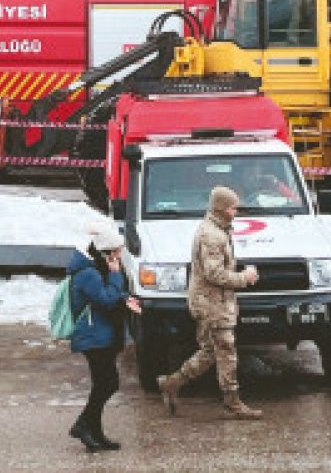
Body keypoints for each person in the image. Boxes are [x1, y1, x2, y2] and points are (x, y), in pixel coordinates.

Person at [157, 186, 263, 420]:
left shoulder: (216, 230)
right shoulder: (212, 235)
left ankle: (172, 382)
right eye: (233, 208)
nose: (236, 212)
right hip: (212, 304)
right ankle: (232, 402)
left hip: (213, 302)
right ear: (222, 208)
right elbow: (214, 274)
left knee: (211, 352)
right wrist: (244, 278)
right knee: (225, 351)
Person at [66, 218, 141, 452]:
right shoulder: (88, 273)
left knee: (104, 383)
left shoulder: (96, 269)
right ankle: (83, 424)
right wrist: (116, 276)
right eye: (116, 251)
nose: (120, 254)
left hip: (100, 335)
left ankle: (94, 432)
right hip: (93, 337)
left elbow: (107, 296)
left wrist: (124, 297)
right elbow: (106, 299)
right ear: (105, 253)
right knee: (107, 384)